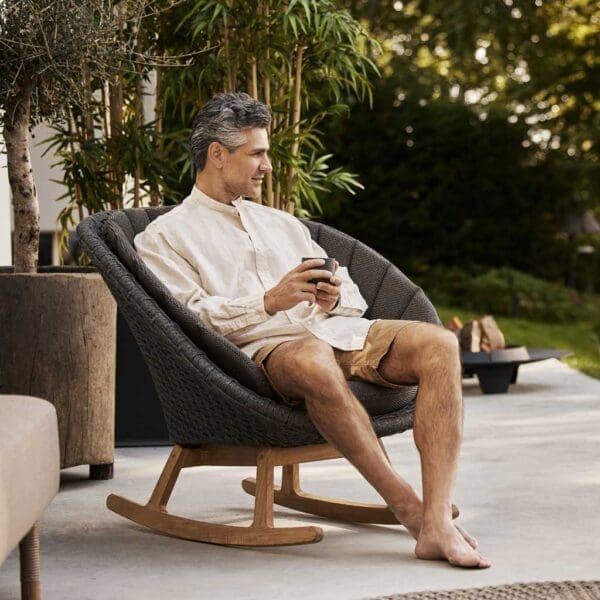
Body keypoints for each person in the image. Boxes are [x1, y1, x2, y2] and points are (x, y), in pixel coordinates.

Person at [134, 92, 491, 569]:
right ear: (217, 155)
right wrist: (268, 301)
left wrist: (332, 296)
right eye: (257, 154)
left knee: (440, 344)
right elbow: (190, 319)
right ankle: (412, 511)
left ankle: (438, 521)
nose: (267, 165)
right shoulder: (165, 236)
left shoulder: (281, 224)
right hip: (266, 353)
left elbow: (354, 297)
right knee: (311, 358)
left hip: (337, 332)